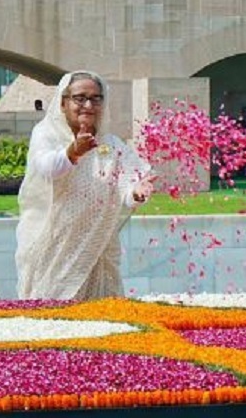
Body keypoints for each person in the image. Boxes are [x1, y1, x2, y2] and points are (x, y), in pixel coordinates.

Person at [16, 70, 157, 300]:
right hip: (55, 249)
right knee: (52, 318)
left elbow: (128, 184)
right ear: (63, 103)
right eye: (80, 98)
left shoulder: (110, 144)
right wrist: (73, 152)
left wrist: (137, 192)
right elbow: (46, 169)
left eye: (95, 98)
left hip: (97, 250)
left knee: (102, 321)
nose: (88, 105)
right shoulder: (46, 135)